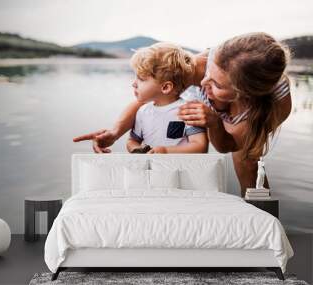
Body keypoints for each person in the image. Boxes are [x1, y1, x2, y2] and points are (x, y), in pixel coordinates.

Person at [73, 33, 292, 197]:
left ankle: (262, 220)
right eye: (209, 73)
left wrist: (214, 123)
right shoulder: (207, 64)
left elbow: (227, 145)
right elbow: (149, 98)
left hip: (253, 113)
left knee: (246, 159)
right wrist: (115, 131)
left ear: (240, 93)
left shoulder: (263, 106)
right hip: (228, 83)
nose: (202, 83)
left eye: (215, 84)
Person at [126, 42, 207, 154]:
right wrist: (137, 150)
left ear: (165, 87)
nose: (134, 84)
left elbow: (200, 146)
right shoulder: (142, 112)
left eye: (141, 79)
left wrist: (165, 151)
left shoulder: (188, 110)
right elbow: (132, 141)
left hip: (181, 169)